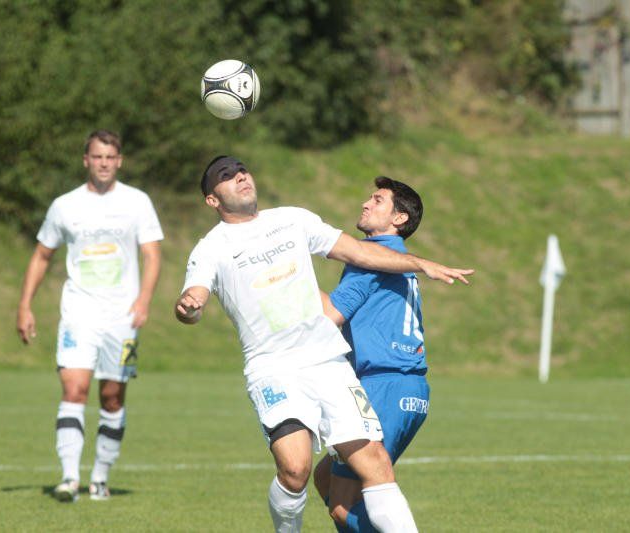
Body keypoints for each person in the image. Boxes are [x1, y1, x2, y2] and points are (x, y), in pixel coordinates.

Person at [174, 156, 472, 532]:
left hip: (329, 361)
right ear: (212, 200)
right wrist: (190, 307)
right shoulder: (210, 248)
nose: (240, 176)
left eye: (241, 169)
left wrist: (420, 263)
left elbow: (360, 251)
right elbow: (194, 295)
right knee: (296, 470)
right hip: (273, 367)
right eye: (226, 175)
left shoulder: (293, 219)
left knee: (375, 464)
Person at [16, 129, 163, 502]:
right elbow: (42, 255)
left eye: (110, 157)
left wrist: (144, 300)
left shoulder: (137, 202)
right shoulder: (64, 206)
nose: (104, 163)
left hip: (122, 318)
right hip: (78, 313)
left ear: (120, 161)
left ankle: (99, 477)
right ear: (86, 160)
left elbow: (152, 255)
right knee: (74, 389)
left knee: (112, 397)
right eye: (97, 157)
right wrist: (25, 304)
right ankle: (69, 478)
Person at [313, 177, 433, 532]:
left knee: (343, 504)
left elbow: (330, 315)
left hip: (383, 387)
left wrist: (291, 276)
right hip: (404, 387)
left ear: (399, 218)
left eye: (378, 200)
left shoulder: (373, 258)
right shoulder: (395, 257)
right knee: (325, 478)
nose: (366, 203)